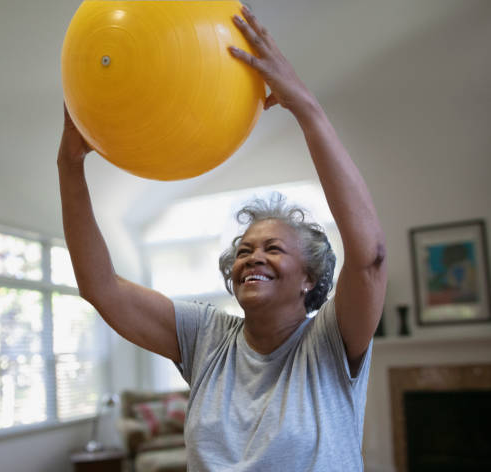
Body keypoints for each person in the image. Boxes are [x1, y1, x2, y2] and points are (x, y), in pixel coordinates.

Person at [57, 5, 386, 471]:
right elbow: (101, 288)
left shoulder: (331, 341)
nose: (253, 258)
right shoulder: (206, 337)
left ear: (310, 279)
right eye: (245, 250)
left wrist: (304, 107)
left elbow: (370, 258)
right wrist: (69, 166)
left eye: (273, 249)